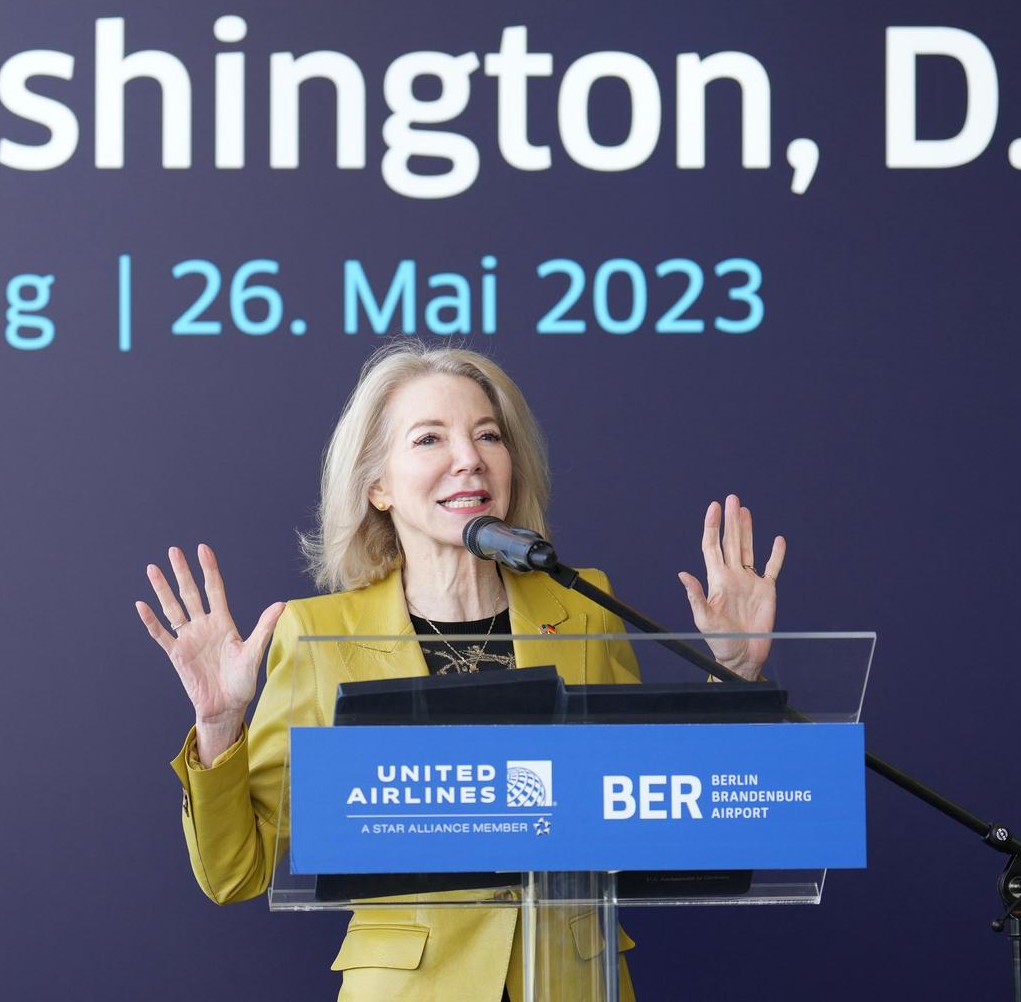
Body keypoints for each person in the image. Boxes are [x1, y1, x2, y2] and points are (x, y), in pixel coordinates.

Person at [135, 340, 786, 1002]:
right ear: (377, 485)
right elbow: (233, 873)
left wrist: (732, 672)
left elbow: (667, 813)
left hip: (570, 982)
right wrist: (219, 726)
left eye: (487, 436)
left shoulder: (582, 606)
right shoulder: (320, 637)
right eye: (429, 439)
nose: (469, 459)